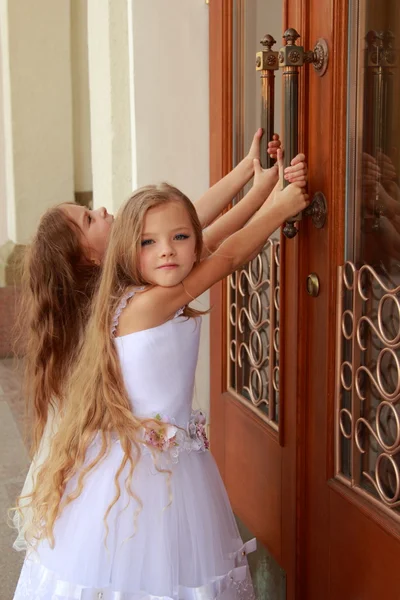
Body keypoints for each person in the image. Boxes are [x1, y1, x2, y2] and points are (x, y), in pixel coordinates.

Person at [13, 150, 308, 599]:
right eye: (91, 219)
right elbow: (220, 255)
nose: (103, 211)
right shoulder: (145, 302)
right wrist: (279, 207)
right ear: (90, 257)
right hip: (150, 474)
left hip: (150, 462)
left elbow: (197, 229)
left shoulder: (132, 289)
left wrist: (256, 181)